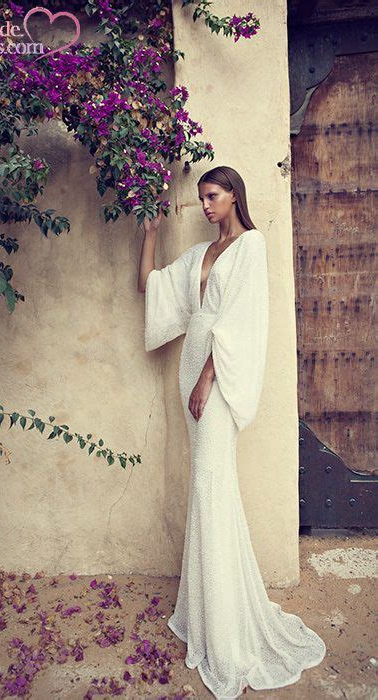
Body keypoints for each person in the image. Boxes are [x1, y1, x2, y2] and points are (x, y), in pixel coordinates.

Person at [137, 165, 326, 698]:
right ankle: (205, 613)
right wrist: (150, 235)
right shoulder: (200, 255)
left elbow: (240, 321)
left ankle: (227, 629)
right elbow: (151, 291)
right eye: (201, 198)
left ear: (234, 196)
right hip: (191, 369)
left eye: (213, 196)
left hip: (215, 377)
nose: (206, 206)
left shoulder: (251, 246)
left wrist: (206, 381)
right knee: (206, 488)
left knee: (211, 488)